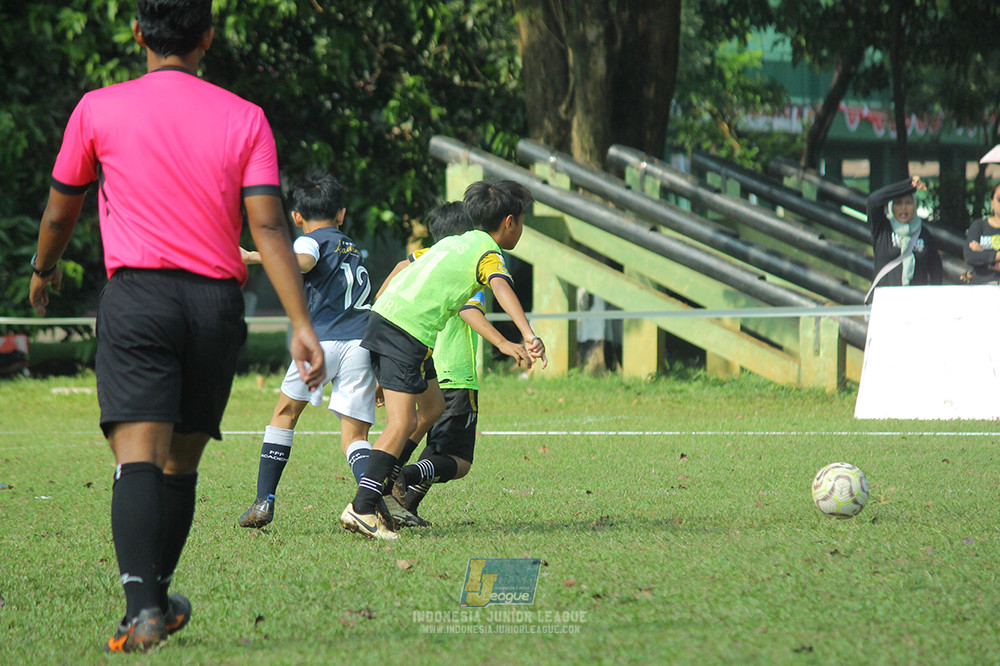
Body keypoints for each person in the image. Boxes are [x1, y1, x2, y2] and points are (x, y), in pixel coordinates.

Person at [28, 0, 325, 653]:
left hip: (137, 296)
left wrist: (43, 269)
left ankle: (143, 612)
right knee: (180, 462)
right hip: (214, 306)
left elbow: (59, 211)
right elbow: (269, 226)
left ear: (138, 34)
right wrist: (300, 322)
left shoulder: (97, 108)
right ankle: (157, 598)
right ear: (207, 39)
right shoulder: (245, 117)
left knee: (138, 457)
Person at [339, 180, 546, 540]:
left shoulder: (453, 242)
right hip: (407, 330)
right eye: (522, 222)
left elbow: (401, 273)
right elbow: (500, 285)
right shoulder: (487, 252)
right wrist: (527, 335)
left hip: (392, 323)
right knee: (400, 424)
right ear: (510, 222)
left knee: (431, 407)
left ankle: (383, 488)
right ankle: (362, 506)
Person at [387, 201, 546, 526]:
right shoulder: (465, 263)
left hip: (416, 360)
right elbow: (467, 309)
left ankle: (401, 504)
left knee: (415, 430)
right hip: (453, 373)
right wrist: (504, 342)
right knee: (457, 459)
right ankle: (400, 476)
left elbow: (395, 276)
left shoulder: (423, 258)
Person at [237, 171, 377, 529]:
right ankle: (368, 503)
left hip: (323, 341)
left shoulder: (310, 240)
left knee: (285, 413)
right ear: (341, 213)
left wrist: (254, 256)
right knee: (355, 437)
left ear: (297, 217)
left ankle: (264, 502)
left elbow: (303, 260)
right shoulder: (349, 246)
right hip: (361, 344)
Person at [866, 175, 943, 299]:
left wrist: (934, 300)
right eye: (898, 203)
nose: (903, 208)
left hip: (915, 304)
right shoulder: (882, 228)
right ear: (891, 206)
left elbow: (936, 269)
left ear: (915, 205)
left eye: (908, 202)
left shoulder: (924, 233)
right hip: (885, 303)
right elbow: (873, 200)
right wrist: (908, 185)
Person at [963, 183, 1000, 285]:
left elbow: (977, 258)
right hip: (981, 287)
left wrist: (982, 253)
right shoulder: (978, 226)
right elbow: (970, 256)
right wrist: (996, 256)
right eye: (999, 198)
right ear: (992, 202)